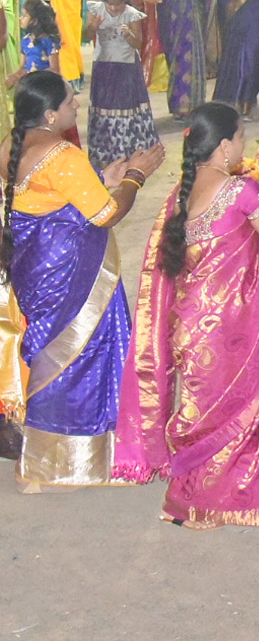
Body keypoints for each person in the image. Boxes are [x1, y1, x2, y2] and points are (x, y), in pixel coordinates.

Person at [114, 102, 259, 528]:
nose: (243, 147)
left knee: (201, 413)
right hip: (235, 329)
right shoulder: (242, 191)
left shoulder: (181, 193)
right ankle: (230, 499)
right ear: (223, 146)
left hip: (189, 326)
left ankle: (189, 501)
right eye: (241, 138)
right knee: (241, 411)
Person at [1, 71, 164, 490]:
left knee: (46, 359)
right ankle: (63, 464)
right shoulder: (62, 155)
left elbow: (45, 196)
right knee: (77, 358)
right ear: (52, 114)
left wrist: (100, 177)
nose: (78, 106)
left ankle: (38, 462)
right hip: (72, 275)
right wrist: (135, 177)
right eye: (72, 101)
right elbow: (105, 214)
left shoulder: (10, 145)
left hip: (34, 268)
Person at [83, 0, 161, 169]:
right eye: (111, 4)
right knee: (104, 106)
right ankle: (104, 149)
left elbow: (138, 44)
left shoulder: (131, 15)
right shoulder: (96, 10)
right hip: (104, 64)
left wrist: (128, 35)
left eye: (119, 4)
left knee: (125, 106)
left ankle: (127, 149)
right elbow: (85, 37)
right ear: (104, 1)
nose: (115, 8)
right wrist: (93, 27)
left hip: (125, 66)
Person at [18, 0, 60, 76]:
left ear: (34, 21)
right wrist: (16, 76)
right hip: (30, 83)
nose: (20, 18)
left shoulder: (48, 41)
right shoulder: (25, 41)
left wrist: (35, 75)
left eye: (24, 16)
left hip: (43, 84)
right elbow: (22, 66)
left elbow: (55, 69)